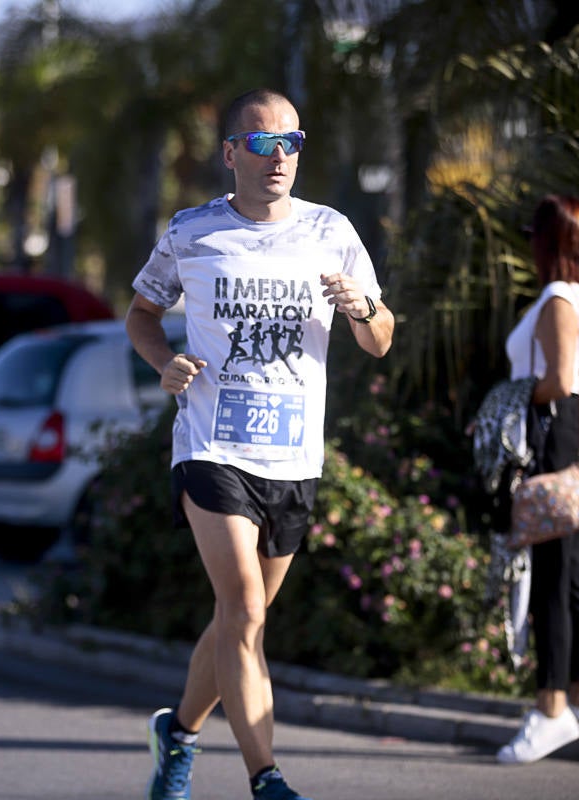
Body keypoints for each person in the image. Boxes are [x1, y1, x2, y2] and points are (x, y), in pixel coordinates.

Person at [126, 89, 395, 800]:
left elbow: (379, 339)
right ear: (231, 154)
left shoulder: (332, 231)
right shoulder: (191, 232)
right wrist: (164, 364)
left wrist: (362, 308)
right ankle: (266, 778)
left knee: (239, 620)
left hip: (293, 457)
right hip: (212, 445)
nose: (279, 157)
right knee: (244, 609)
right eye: (262, 143)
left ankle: (178, 734)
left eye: (291, 142)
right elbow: (142, 313)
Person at [495, 194, 579, 765]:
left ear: (551, 242)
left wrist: (508, 397)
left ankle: (551, 710)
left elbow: (559, 380)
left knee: (549, 581)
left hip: (551, 434)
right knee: (575, 576)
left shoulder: (560, 299)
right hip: (576, 437)